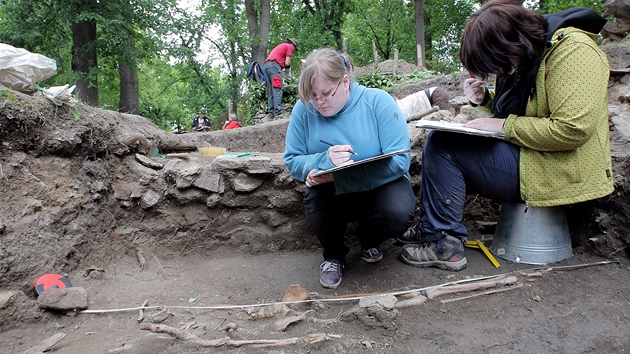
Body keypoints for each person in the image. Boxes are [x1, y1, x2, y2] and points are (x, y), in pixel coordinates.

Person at [398, 0, 614, 271]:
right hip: (535, 156)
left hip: (562, 169)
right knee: (440, 138)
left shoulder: (573, 52)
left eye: (494, 64)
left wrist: (504, 126)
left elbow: (572, 129)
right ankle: (435, 227)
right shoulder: (522, 56)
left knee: (445, 147)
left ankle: (444, 244)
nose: (497, 71)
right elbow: (517, 109)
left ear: (507, 43)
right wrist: (483, 99)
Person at [284, 48, 415, 289]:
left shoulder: (377, 102)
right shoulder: (304, 110)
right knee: (316, 203)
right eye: (312, 95)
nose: (319, 102)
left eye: (326, 93)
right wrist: (322, 160)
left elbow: (399, 161)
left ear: (345, 82)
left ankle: (371, 239)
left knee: (399, 212)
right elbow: (293, 160)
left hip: (382, 184)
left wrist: (339, 178)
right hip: (330, 193)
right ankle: (333, 256)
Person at [264, 38, 299, 119]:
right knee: (277, 88)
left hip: (267, 66)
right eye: (295, 48)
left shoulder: (281, 46)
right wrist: (288, 73)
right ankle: (277, 112)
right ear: (293, 44)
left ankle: (271, 113)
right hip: (274, 66)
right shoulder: (289, 46)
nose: (293, 50)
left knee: (271, 90)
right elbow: (287, 63)